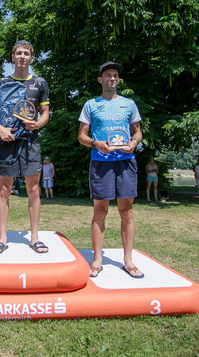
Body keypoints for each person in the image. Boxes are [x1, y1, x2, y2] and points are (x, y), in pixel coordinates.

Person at [0, 40, 50, 254]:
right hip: (7, 142)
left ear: (31, 58)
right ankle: (2, 239)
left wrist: (37, 124)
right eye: (18, 53)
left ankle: (35, 238)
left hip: (30, 143)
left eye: (26, 54)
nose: (22, 57)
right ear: (13, 57)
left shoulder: (40, 83)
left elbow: (45, 113)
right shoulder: (1, 83)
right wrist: (1, 129)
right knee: (4, 189)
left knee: (34, 190)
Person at [78, 61, 144, 279]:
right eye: (108, 75)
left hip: (125, 161)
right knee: (100, 211)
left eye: (115, 75)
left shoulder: (129, 104)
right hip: (101, 162)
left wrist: (133, 143)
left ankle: (128, 261)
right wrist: (96, 143)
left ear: (119, 80)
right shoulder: (91, 105)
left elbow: (137, 132)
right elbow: (82, 136)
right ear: (101, 79)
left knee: (127, 211)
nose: (112, 78)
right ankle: (97, 260)